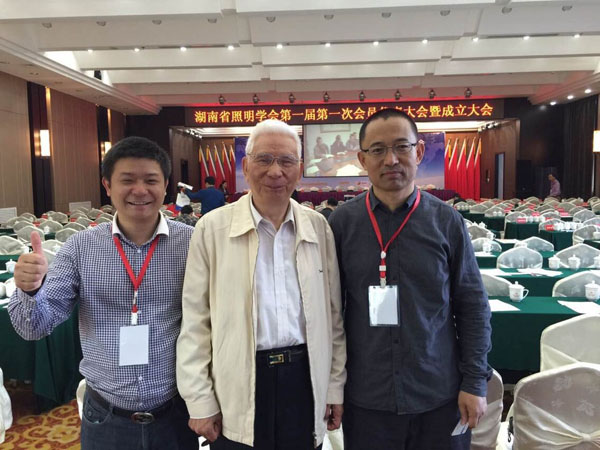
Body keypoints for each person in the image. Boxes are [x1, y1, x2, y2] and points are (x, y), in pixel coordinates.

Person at [8, 136, 199, 450]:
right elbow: (34, 327)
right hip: (106, 417)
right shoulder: (81, 248)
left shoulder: (192, 243)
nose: (140, 190)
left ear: (166, 186)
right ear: (107, 186)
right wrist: (30, 291)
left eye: (151, 180)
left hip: (176, 412)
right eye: (127, 180)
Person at [177, 119, 346, 449]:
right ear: (245, 166)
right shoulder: (212, 229)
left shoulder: (318, 228)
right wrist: (199, 399)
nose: (275, 171)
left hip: (305, 377)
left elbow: (333, 317)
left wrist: (334, 387)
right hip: (237, 381)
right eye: (264, 159)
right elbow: (195, 321)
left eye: (286, 161)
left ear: (300, 169)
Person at [328, 109, 491, 450]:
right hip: (367, 397)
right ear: (362, 159)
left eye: (402, 147)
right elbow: (329, 312)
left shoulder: (446, 221)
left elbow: (473, 306)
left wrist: (475, 381)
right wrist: (332, 387)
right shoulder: (341, 224)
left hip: (438, 394)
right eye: (377, 150)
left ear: (419, 152)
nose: (391, 159)